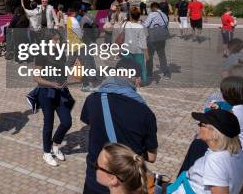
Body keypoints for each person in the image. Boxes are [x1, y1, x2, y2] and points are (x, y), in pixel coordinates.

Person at [81, 58, 158, 194]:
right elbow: (151, 157)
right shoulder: (145, 113)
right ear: (137, 80)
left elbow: (89, 122)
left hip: (95, 179)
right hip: (124, 186)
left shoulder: (92, 99)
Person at [168, 110, 243, 194]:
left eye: (201, 124)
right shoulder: (238, 152)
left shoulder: (215, 160)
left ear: (213, 132)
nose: (199, 126)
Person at [32, 30, 73, 167]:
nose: (58, 42)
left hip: (60, 91)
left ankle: (55, 145)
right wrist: (51, 84)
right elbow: (36, 78)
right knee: (48, 124)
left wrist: (65, 80)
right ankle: (46, 152)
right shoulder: (41, 54)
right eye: (55, 39)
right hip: (46, 92)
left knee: (67, 122)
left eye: (59, 39)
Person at [143, 2, 171, 81]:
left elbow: (146, 25)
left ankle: (149, 73)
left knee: (149, 56)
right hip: (161, 38)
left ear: (153, 8)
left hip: (152, 38)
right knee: (162, 56)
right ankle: (166, 74)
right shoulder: (164, 15)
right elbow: (165, 24)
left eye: (151, 8)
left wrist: (141, 22)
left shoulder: (152, 14)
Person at [123, 7, 149, 85]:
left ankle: (130, 81)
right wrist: (146, 53)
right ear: (139, 16)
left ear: (130, 16)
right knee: (141, 66)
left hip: (127, 48)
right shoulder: (140, 27)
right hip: (138, 50)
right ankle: (142, 81)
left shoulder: (126, 24)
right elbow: (143, 41)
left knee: (128, 66)